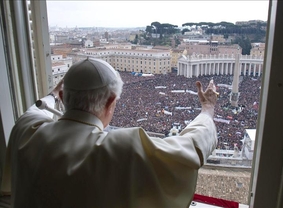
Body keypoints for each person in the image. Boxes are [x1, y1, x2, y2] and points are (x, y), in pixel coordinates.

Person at [1, 58, 218, 208]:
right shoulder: (122, 148)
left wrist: (53, 95)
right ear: (111, 102)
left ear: (65, 97)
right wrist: (207, 110)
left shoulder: (25, 130)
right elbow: (192, 148)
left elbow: (35, 110)